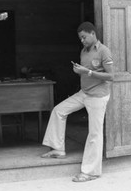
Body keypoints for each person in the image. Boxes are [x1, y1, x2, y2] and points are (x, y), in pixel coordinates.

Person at [41, 21, 114, 182]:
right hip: (84, 93)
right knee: (59, 110)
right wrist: (79, 71)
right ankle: (58, 149)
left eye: (84, 37)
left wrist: (87, 72)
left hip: (98, 96)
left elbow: (111, 76)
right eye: (80, 38)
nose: (82, 41)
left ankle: (91, 172)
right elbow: (87, 72)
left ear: (93, 34)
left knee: (94, 133)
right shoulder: (84, 51)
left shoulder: (103, 51)